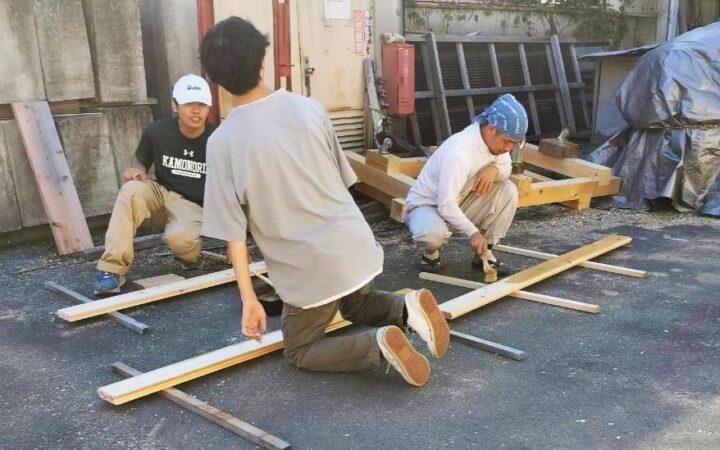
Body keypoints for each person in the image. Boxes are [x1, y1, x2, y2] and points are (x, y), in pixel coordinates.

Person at [199, 16, 450, 387]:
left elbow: (234, 236)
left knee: (299, 348)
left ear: (215, 80)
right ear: (262, 60)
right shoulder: (309, 108)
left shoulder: (222, 143)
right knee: (354, 303)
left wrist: (249, 299)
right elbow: (344, 181)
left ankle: (377, 345)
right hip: (356, 246)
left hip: (308, 271)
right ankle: (406, 308)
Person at [93, 74, 214, 295]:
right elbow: (141, 159)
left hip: (192, 204)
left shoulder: (217, 139)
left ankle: (191, 258)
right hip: (161, 194)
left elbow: (231, 188)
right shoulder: (156, 132)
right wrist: (137, 168)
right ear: (175, 106)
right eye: (189, 104)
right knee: (131, 190)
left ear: (208, 107)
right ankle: (111, 269)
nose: (196, 110)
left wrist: (236, 242)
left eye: (202, 104)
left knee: (180, 240)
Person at [404, 94, 527, 273]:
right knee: (431, 235)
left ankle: (484, 253)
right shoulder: (459, 153)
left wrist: (494, 170)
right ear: (491, 129)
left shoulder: (495, 144)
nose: (509, 149)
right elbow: (446, 205)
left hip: (460, 200)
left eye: (514, 144)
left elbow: (506, 167)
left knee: (508, 190)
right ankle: (430, 253)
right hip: (427, 206)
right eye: (507, 142)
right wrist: (473, 233)